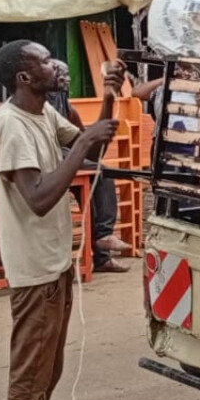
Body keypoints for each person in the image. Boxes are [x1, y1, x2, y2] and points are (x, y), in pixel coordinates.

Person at [0, 40, 121, 400]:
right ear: (24, 77)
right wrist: (83, 146)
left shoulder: (44, 112)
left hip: (54, 263)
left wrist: (109, 95)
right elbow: (39, 197)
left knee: (47, 374)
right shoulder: (12, 124)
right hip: (34, 272)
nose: (55, 65)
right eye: (44, 61)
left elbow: (94, 143)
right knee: (29, 382)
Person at [48, 60, 127, 272]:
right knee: (95, 171)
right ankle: (103, 239)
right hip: (48, 161)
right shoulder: (36, 106)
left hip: (66, 160)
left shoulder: (65, 106)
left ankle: (102, 250)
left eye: (67, 74)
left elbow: (89, 147)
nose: (67, 79)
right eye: (60, 74)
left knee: (94, 182)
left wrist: (108, 99)